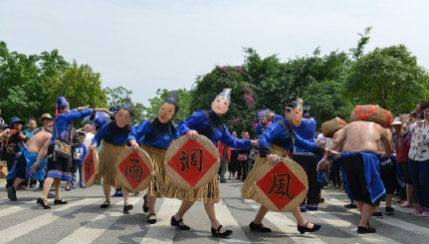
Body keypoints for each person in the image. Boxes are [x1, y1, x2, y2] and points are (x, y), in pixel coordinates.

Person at [166, 88, 258, 238]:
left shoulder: (222, 126)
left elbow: (233, 141)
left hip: (208, 164)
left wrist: (251, 142)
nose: (221, 104)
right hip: (195, 162)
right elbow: (182, 124)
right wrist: (188, 131)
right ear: (213, 103)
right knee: (207, 193)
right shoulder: (201, 115)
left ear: (227, 108)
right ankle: (216, 225)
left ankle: (176, 218)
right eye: (219, 101)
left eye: (225, 103)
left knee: (193, 194)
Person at [242, 100, 335, 235]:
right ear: (287, 112)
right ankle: (302, 223)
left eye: (301, 114)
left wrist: (325, 151)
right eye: (296, 112)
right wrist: (269, 154)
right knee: (288, 190)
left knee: (273, 192)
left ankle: (256, 223)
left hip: (279, 161)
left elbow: (304, 143)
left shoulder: (289, 129)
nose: (299, 116)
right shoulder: (279, 125)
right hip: (272, 162)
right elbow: (263, 139)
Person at [318, 119, 393, 233]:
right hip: (367, 158)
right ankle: (363, 225)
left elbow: (337, 142)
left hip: (347, 158)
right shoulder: (378, 126)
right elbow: (389, 148)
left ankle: (364, 220)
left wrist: (324, 158)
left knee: (356, 191)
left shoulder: (350, 126)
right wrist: (385, 155)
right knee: (372, 190)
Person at [31, 97, 93, 209]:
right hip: (56, 148)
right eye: (67, 107)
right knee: (52, 172)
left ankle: (58, 197)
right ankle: (43, 197)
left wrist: (79, 108)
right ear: (61, 109)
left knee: (57, 174)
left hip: (62, 147)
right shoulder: (63, 116)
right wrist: (90, 111)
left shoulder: (62, 115)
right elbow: (76, 115)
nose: (69, 109)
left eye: (69, 107)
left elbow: (73, 111)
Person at [128, 93, 180, 224]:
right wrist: (133, 142)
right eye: (163, 108)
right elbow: (134, 133)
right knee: (154, 185)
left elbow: (179, 141)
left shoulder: (173, 127)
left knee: (160, 187)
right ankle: (151, 212)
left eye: (169, 111)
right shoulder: (149, 123)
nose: (164, 112)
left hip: (164, 159)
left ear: (172, 114)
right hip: (149, 157)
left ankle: (147, 198)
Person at [90, 104, 134, 213]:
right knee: (107, 178)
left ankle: (126, 202)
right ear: (115, 116)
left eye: (126, 116)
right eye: (120, 115)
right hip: (107, 153)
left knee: (124, 178)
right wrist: (94, 144)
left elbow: (135, 139)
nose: (123, 119)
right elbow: (97, 138)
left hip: (122, 154)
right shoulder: (107, 126)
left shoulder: (130, 129)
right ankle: (107, 200)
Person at [6, 122, 53, 201]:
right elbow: (44, 150)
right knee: (45, 169)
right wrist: (38, 162)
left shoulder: (40, 133)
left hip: (24, 153)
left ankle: (13, 187)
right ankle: (46, 191)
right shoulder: (50, 136)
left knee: (24, 173)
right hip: (32, 155)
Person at [401, 100, 429, 217]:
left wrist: (421, 129)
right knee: (416, 182)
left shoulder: (422, 126)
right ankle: (421, 206)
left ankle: (427, 207)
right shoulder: (419, 123)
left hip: (425, 158)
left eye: (428, 111)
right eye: (425, 111)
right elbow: (404, 131)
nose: (426, 113)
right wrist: (408, 120)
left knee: (424, 182)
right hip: (412, 156)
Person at [5, 117, 29, 188]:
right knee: (11, 169)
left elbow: (28, 140)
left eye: (19, 123)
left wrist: (24, 137)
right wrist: (15, 131)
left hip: (21, 153)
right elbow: (8, 135)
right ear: (12, 124)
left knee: (22, 168)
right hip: (11, 153)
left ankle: (21, 184)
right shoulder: (10, 131)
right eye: (16, 123)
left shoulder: (23, 133)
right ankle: (9, 184)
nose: (18, 124)